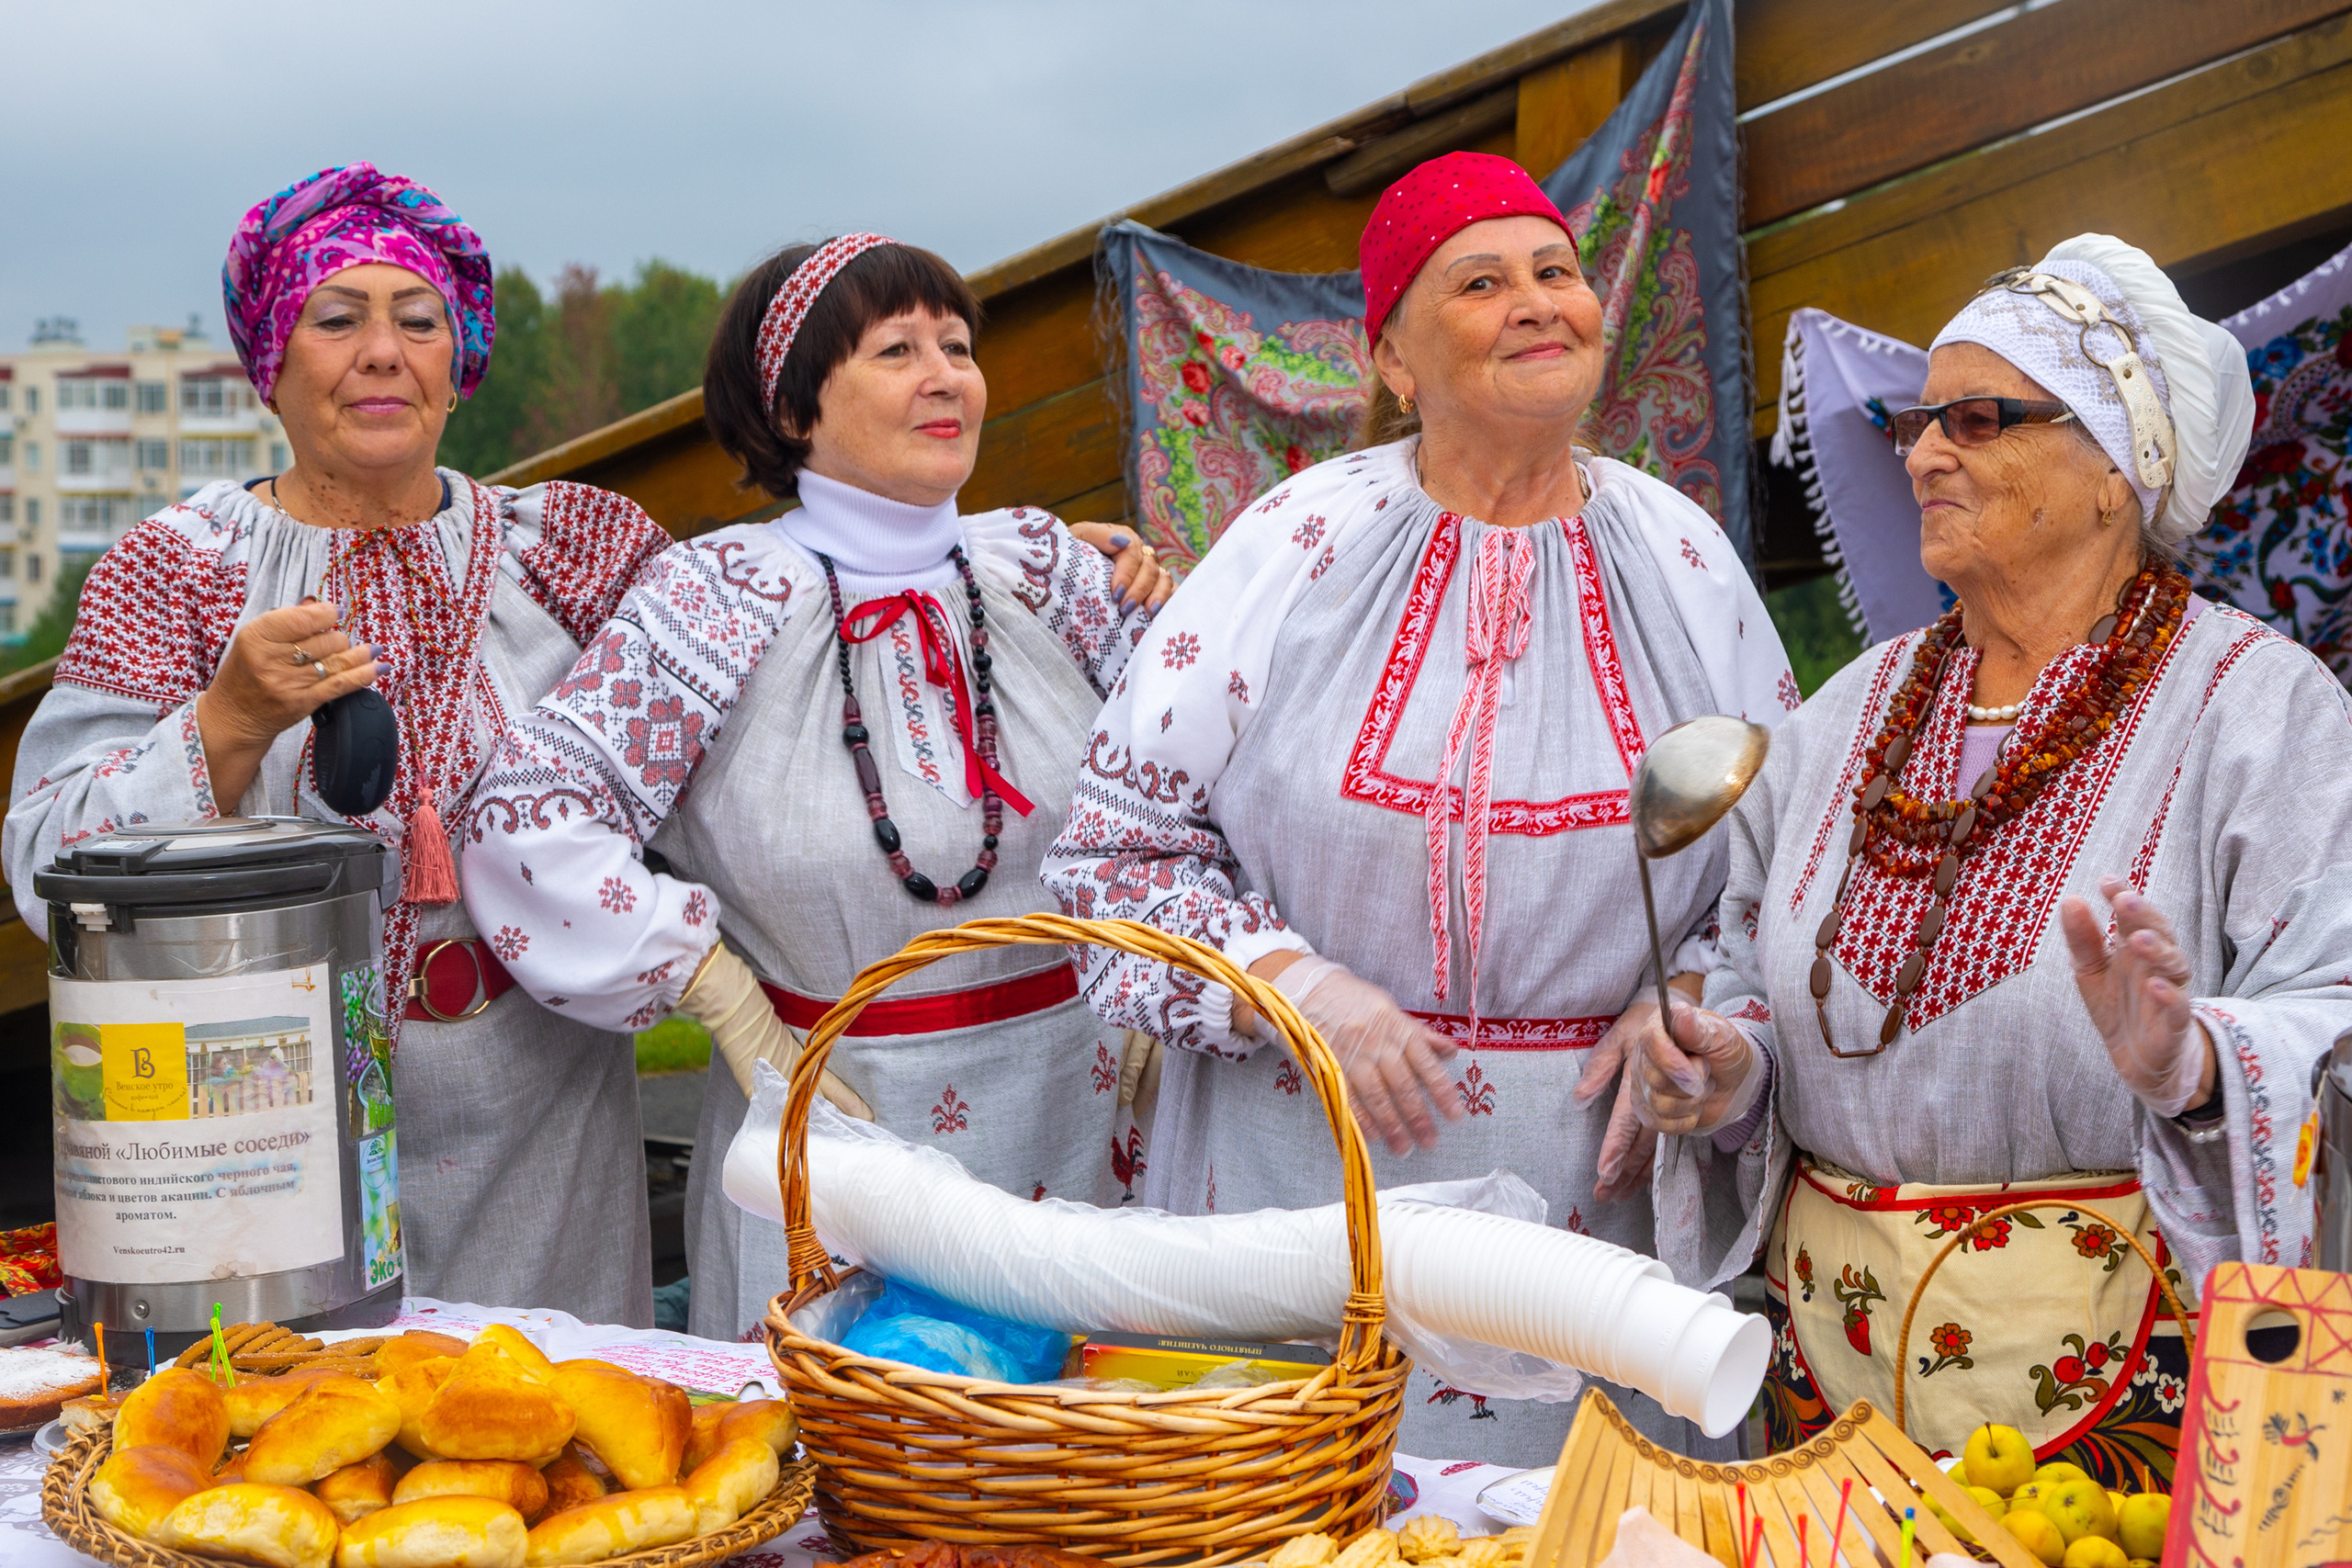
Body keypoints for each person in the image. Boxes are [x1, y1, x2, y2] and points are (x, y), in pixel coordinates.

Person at [1041, 152, 1798, 1465]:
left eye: (1556, 272)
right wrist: (1301, 988)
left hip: (1590, 1219)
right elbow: (1112, 857)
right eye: (1481, 283)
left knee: (1577, 1531)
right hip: (1307, 1190)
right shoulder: (1294, 545)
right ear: (1393, 359)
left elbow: (1782, 868)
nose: (1537, 301)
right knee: (1309, 1525)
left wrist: (1689, 997)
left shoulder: (1684, 560)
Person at [1633, 234, 2352, 1486]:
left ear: (2115, 472)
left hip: (2120, 1400)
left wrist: (2194, 1065)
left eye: (1977, 419)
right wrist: (1731, 1066)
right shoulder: (1846, 717)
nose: (1921, 453)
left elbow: (2332, 1009)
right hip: (1828, 1383)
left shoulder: (2259, 708)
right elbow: (1747, 964)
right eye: (1918, 422)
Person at [2, 164, 678, 1325]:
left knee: (544, 1413)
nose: (382, 353)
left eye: (418, 321)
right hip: (262, 1125)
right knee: (312, 1415)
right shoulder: (178, 573)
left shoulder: (573, 554)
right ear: (272, 362)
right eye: (335, 319)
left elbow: (748, 711)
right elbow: (42, 866)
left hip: (545, 1122)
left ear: (458, 366)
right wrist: (226, 722)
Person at [461, 233, 1168, 1342]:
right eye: (897, 350)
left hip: (1077, 1123)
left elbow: (1191, 785)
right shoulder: (716, 602)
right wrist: (720, 997)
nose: (944, 376)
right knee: (854, 1439)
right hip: (839, 1134)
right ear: (794, 408)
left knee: (1070, 1436)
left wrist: (1160, 975)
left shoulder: (1054, 572)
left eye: (957, 346)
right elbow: (526, 822)